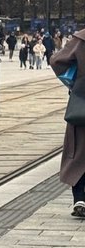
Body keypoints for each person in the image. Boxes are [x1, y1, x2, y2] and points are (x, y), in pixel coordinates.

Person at [50, 28, 85, 217]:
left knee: (78, 151)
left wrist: (75, 80)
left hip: (82, 102)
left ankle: (80, 197)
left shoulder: (81, 39)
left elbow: (57, 61)